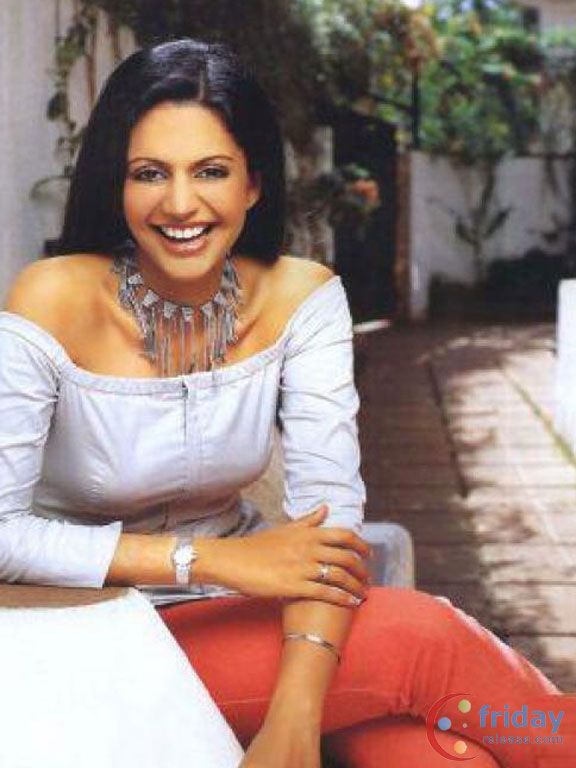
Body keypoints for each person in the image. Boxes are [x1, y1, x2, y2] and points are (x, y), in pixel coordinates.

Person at [0, 39, 561, 768]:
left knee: (436, 757)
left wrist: (295, 717)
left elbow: (329, 524)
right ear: (117, 184)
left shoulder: (302, 296)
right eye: (149, 173)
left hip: (250, 615)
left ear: (253, 184)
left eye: (211, 171)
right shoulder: (51, 297)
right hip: (87, 627)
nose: (180, 203)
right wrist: (215, 561)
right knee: (425, 641)